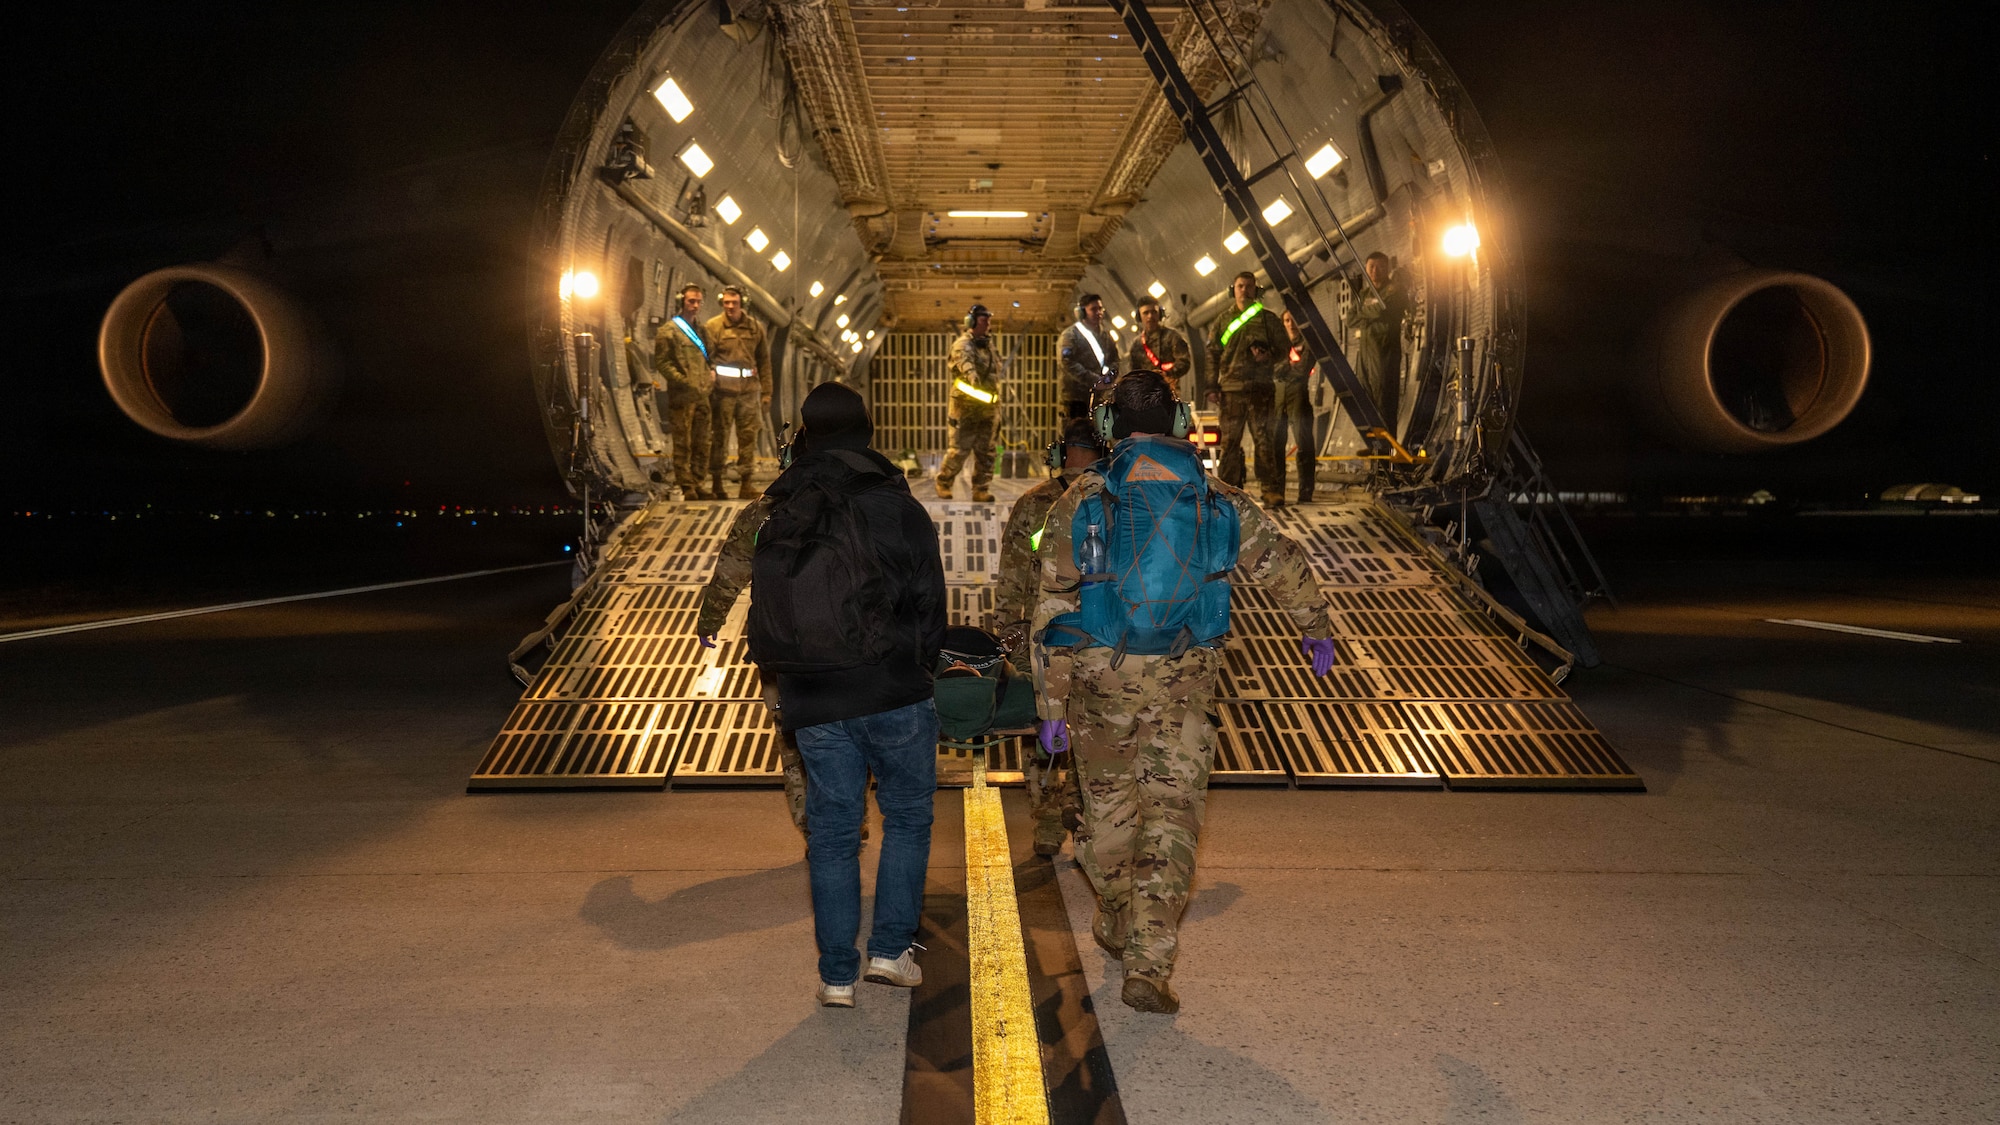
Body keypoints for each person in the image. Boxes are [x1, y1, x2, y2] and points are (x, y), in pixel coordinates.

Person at [1030, 370, 1338, 1014]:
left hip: (1099, 685)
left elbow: (1053, 607)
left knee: (1109, 817)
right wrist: (1315, 628)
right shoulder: (1217, 496)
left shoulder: (1082, 498)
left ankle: (1118, 915)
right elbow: (1281, 564)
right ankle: (1149, 963)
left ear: (1109, 426)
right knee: (1171, 819)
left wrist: (1050, 703)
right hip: (1185, 685)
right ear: (1177, 421)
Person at [701, 382, 946, 1008]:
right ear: (866, 434)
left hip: (811, 696)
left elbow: (749, 580)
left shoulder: (777, 505)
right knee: (908, 818)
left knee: (833, 834)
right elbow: (929, 601)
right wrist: (920, 667)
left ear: (805, 435)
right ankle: (890, 952)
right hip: (893, 690)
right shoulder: (896, 504)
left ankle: (836, 974)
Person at [993, 416, 1104, 856]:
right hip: (1102, 638)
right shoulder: (1115, 497)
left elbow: (1013, 578)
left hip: (1046, 637)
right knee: (1092, 731)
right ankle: (1081, 818)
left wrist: (1008, 638)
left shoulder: (1036, 502)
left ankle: (1044, 825)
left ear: (1061, 452)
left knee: (1043, 723)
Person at [1204, 272, 1288, 507]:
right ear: (1234, 289)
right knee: (1230, 442)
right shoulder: (1222, 320)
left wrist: (1268, 355)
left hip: (1261, 389)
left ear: (1255, 289)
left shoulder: (1268, 320)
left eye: (1249, 286)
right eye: (1240, 286)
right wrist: (1211, 386)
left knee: (1265, 440)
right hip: (1231, 390)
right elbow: (1212, 354)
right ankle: (1227, 491)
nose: (1244, 290)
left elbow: (1284, 349)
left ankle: (1271, 490)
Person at [705, 285, 773, 500]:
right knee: (719, 437)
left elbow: (764, 361)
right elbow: (706, 360)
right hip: (722, 393)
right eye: (726, 303)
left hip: (748, 392)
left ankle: (746, 483)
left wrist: (767, 392)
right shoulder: (713, 327)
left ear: (742, 303)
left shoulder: (755, 328)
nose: (730, 307)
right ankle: (717, 483)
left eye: (734, 303)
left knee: (748, 437)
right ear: (721, 303)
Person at [653, 285, 716, 500]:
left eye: (698, 301)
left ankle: (698, 482)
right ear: (682, 301)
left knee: (702, 442)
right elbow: (662, 362)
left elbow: (710, 356)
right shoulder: (668, 331)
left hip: (702, 395)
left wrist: (711, 374)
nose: (695, 306)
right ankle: (686, 485)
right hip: (682, 397)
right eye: (691, 301)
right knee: (683, 443)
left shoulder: (702, 331)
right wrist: (683, 380)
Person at [936, 303, 1001, 502]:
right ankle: (944, 482)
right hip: (964, 408)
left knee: (986, 452)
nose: (988, 324)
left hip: (988, 408)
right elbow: (966, 365)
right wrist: (972, 376)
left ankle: (980, 489)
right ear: (971, 322)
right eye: (984, 320)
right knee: (958, 451)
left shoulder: (989, 346)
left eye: (989, 320)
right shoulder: (962, 345)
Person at [1347, 251, 1410, 448]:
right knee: (1366, 402)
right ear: (1366, 269)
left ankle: (1388, 455)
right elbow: (1350, 319)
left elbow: (1381, 309)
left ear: (1388, 268)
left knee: (1384, 404)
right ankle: (1375, 454)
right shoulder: (1364, 294)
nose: (1376, 271)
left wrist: (1364, 311)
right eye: (1371, 267)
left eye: (1380, 266)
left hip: (1384, 353)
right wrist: (1370, 311)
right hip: (1364, 355)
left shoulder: (1394, 291)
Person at [1275, 309, 1318, 504]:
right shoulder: (1278, 344)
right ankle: (1277, 492)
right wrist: (1287, 366)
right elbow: (1269, 367)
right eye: (1286, 320)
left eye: (1293, 320)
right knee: (1276, 443)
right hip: (1277, 396)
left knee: (1304, 443)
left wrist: (1284, 368)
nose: (1290, 324)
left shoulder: (1307, 342)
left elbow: (1303, 369)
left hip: (1298, 395)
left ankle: (1305, 492)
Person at [1056, 293, 1118, 420]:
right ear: (1082, 312)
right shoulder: (1070, 336)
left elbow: (1115, 360)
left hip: (1099, 398)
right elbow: (1067, 362)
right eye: (1094, 309)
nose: (1099, 313)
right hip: (1075, 400)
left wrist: (1108, 379)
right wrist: (1094, 380)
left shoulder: (1106, 336)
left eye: (1100, 309)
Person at [1125, 296, 1193, 397]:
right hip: (1146, 396)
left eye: (1154, 312)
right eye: (1146, 313)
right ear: (1139, 317)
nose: (1150, 316)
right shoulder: (1137, 344)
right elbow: (1133, 372)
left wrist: (1168, 375)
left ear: (1160, 313)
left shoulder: (1172, 337)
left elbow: (1184, 361)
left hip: (1169, 392)